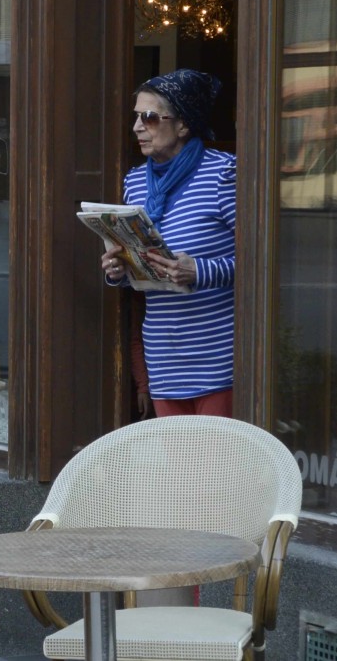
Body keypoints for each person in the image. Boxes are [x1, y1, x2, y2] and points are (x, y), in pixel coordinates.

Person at [102, 68, 236, 418]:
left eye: (149, 117)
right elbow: (143, 272)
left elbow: (262, 261)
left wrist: (199, 271)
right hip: (164, 360)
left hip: (218, 361)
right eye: (136, 117)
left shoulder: (224, 174)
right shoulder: (135, 183)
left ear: (183, 125)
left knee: (216, 455)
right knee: (176, 456)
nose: (137, 127)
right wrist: (119, 270)